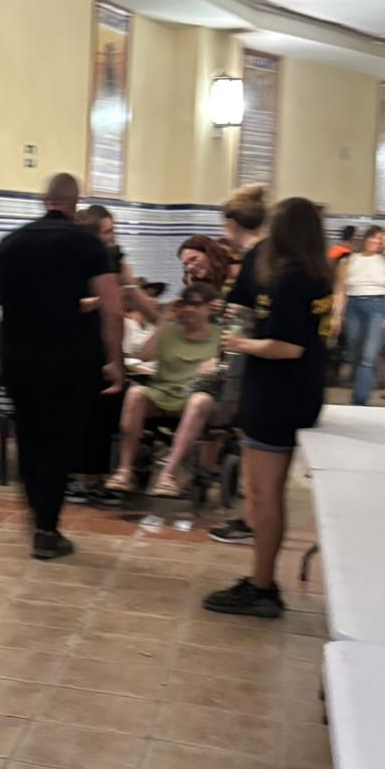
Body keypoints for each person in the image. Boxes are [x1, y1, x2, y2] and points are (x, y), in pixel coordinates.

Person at [0, 173, 122, 560]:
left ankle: (38, 516)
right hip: (71, 358)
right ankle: (47, 526)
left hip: (22, 359)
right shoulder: (88, 243)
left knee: (30, 436)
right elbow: (112, 305)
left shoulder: (10, 242)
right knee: (60, 439)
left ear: (44, 200)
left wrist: (0, 349)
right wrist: (114, 360)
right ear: (75, 203)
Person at [203, 197, 334, 618]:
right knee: (263, 493)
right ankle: (262, 582)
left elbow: (289, 347)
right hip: (295, 391)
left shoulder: (293, 279)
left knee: (263, 495)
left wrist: (242, 343)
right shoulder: (314, 272)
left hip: (278, 394)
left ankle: (262, 586)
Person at [104, 282, 224, 498]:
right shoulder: (169, 331)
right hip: (163, 391)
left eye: (196, 305)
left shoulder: (219, 336)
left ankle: (168, 474)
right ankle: (124, 471)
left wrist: (215, 364)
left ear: (208, 308)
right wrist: (163, 321)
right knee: (135, 394)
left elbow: (227, 367)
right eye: (186, 304)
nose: (190, 309)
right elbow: (144, 356)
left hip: (193, 395)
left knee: (199, 401)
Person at [209, 185, 269, 545]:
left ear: (232, 223)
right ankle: (248, 516)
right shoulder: (264, 255)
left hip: (249, 355)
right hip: (252, 353)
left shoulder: (254, 257)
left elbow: (247, 309)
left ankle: (250, 520)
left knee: (251, 441)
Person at [70, 204, 136, 503]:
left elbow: (122, 302)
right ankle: (82, 478)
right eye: (108, 231)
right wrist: (104, 300)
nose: (113, 237)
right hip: (81, 345)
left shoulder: (111, 260)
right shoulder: (76, 263)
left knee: (105, 412)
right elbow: (71, 303)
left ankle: (96, 477)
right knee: (86, 415)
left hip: (103, 345)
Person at [331, 225, 385, 406]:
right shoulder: (348, 261)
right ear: (366, 238)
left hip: (378, 305)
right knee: (354, 351)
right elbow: (340, 290)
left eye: (381, 239)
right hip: (354, 304)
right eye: (374, 238)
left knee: (369, 354)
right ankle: (363, 384)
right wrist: (336, 315)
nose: (377, 242)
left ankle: (360, 398)